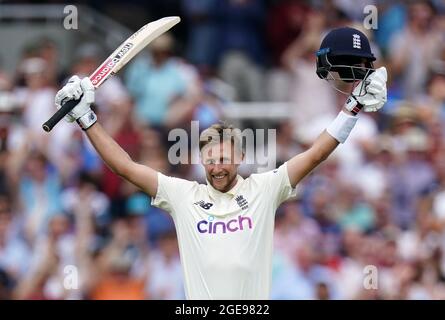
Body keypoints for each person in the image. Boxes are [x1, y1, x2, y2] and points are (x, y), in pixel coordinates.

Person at [51, 27, 387, 299]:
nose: (218, 167)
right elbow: (124, 166)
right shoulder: (184, 196)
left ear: (240, 157)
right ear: (201, 160)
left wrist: (352, 109)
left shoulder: (265, 188)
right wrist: (87, 119)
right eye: (211, 160)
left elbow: (315, 154)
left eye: (225, 158)